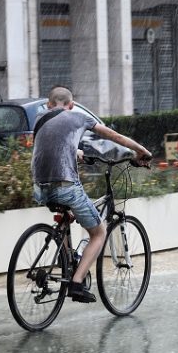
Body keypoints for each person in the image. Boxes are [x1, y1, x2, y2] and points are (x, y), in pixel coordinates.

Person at [31, 86, 152, 303]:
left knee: (67, 217)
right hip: (65, 185)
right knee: (99, 232)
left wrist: (75, 152)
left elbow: (50, 144)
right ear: (71, 105)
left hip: (40, 188)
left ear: (49, 105)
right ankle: (76, 283)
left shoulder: (40, 118)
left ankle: (66, 262)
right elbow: (113, 135)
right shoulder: (77, 117)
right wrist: (141, 151)